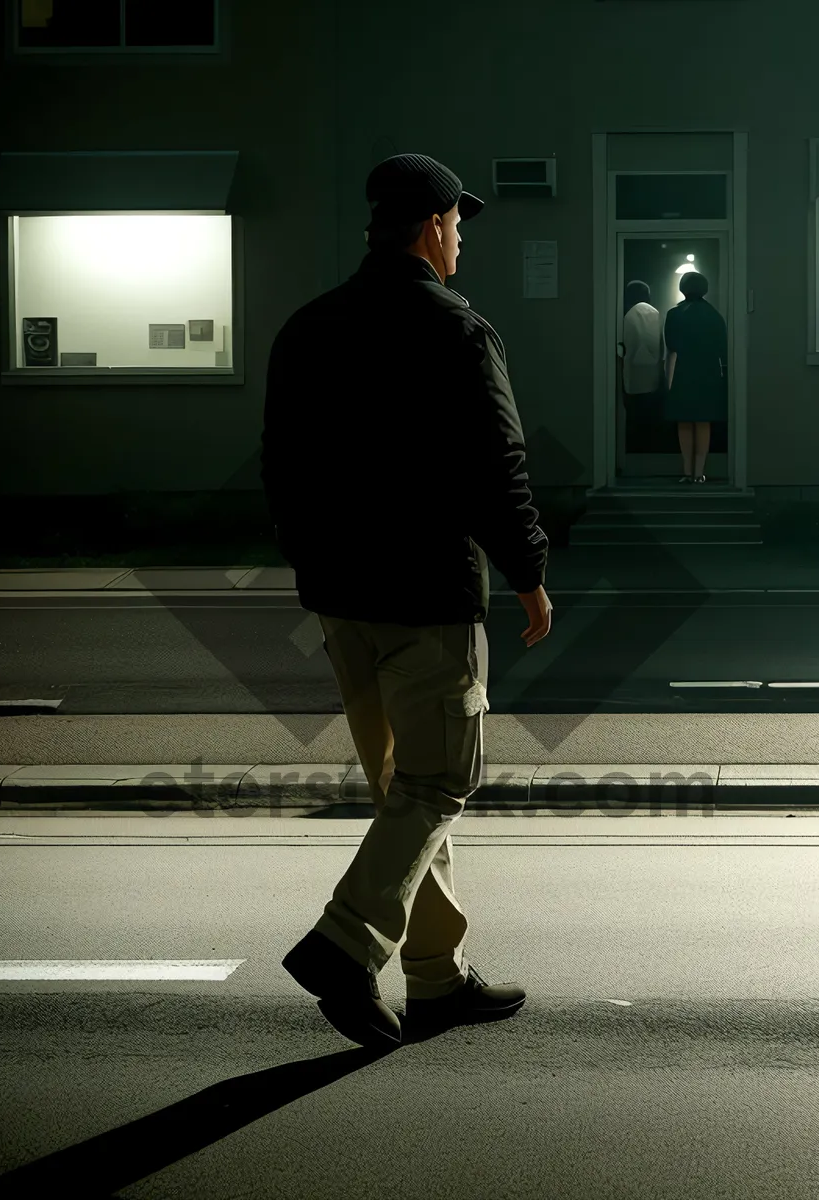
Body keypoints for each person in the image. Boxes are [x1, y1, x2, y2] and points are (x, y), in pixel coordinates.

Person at [261, 153, 551, 1049]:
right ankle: (346, 944)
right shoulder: (456, 330)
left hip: (342, 601)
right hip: (429, 597)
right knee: (438, 781)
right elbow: (495, 466)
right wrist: (530, 572)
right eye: (458, 221)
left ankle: (434, 978)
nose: (462, 234)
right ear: (431, 225)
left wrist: (315, 566)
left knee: (403, 791)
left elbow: (281, 469)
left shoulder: (308, 328)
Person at [663, 271, 728, 483]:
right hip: (708, 372)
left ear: (683, 288)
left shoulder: (674, 314)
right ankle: (699, 472)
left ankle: (687, 470)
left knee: (684, 421)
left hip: (684, 371)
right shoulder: (714, 315)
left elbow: (671, 346)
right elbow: (722, 347)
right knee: (702, 421)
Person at [619, 279, 663, 453]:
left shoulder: (628, 314)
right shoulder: (656, 313)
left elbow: (627, 346)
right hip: (653, 378)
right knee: (650, 422)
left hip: (631, 378)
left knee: (633, 422)